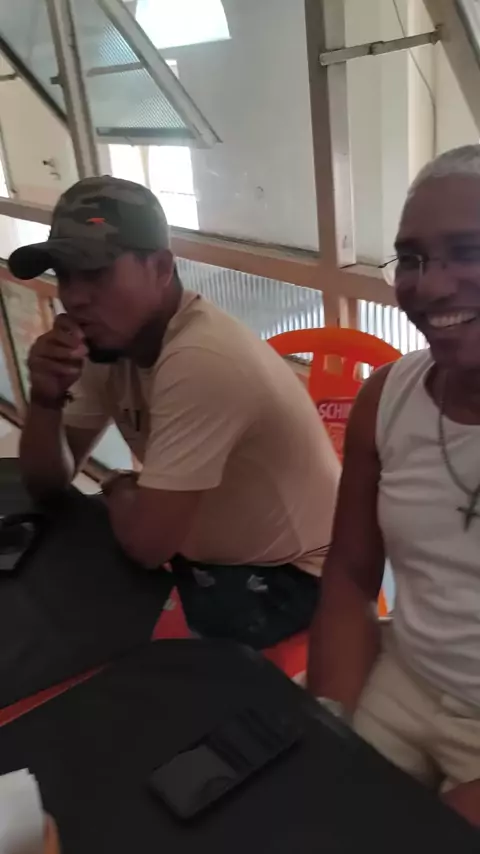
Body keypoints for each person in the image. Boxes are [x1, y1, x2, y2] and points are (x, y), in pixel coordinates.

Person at [10, 175, 339, 651]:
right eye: (64, 275)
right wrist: (45, 399)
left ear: (161, 268)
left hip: (298, 574)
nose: (74, 297)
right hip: (212, 547)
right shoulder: (109, 341)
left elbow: (148, 546)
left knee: (100, 642)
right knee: (61, 573)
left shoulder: (200, 360)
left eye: (95, 273)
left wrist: (118, 485)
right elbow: (47, 485)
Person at [307, 144, 480, 827]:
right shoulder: (387, 398)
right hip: (405, 677)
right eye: (411, 259)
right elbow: (351, 574)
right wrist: (329, 720)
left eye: (467, 252)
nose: (429, 288)